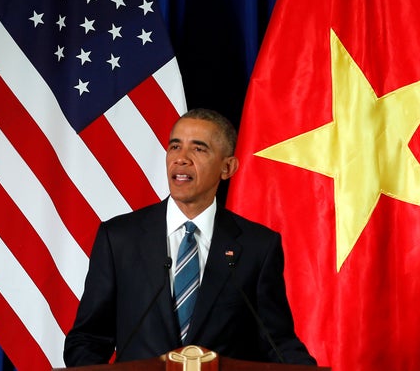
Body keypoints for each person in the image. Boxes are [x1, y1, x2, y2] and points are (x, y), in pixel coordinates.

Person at [64, 108, 316, 366]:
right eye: (175, 146)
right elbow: (87, 340)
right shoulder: (119, 239)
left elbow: (277, 343)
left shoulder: (257, 246)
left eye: (198, 149)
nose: (181, 158)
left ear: (227, 167)